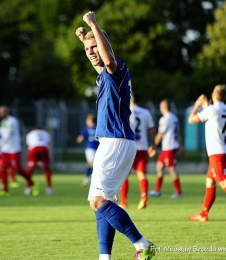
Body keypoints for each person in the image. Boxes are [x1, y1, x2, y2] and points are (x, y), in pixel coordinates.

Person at [76, 11, 156, 260]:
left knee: (99, 202)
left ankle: (143, 244)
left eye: (94, 46)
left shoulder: (116, 67)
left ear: (104, 45)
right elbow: (98, 59)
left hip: (115, 142)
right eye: (87, 48)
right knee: (101, 202)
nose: (91, 51)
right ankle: (105, 257)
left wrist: (93, 24)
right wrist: (84, 41)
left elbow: (107, 58)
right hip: (114, 142)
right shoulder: (103, 76)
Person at [188, 84, 226, 222]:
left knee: (223, 182)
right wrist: (206, 107)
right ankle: (204, 213)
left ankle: (204, 214)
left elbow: (191, 119)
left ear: (212, 94)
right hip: (222, 150)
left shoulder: (211, 110)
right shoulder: (222, 109)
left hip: (216, 152)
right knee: (210, 181)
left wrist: (197, 104)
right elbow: (214, 120)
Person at [0, 106, 38, 197]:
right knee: (3, 168)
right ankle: (5, 190)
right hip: (5, 149)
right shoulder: (3, 122)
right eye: (0, 112)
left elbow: (8, 136)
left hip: (14, 149)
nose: (1, 114)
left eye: (3, 112)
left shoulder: (12, 121)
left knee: (18, 170)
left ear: (7, 112)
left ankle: (32, 183)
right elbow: (3, 136)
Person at [120, 92, 156, 210]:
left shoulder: (126, 110)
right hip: (143, 147)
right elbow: (151, 129)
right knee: (141, 174)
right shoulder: (146, 112)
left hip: (129, 147)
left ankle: (124, 202)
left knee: (125, 175)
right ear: (139, 101)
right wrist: (154, 144)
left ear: (130, 99)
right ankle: (144, 198)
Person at [148, 99, 184, 198]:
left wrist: (153, 145)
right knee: (159, 166)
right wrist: (181, 147)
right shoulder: (174, 117)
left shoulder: (165, 119)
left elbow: (160, 134)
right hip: (171, 146)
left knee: (172, 169)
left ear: (163, 107)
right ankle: (157, 190)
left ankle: (179, 192)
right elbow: (178, 134)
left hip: (169, 147)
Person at [26, 127, 54, 195]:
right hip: (43, 149)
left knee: (30, 170)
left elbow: (28, 144)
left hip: (33, 149)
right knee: (47, 169)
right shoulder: (46, 133)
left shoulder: (30, 133)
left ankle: (28, 189)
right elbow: (48, 143)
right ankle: (49, 189)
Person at [76, 113, 99, 186]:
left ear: (90, 120)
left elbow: (80, 138)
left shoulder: (86, 128)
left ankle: (89, 179)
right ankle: (88, 179)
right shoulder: (98, 128)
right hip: (98, 148)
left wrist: (78, 142)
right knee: (92, 163)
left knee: (91, 164)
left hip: (90, 148)